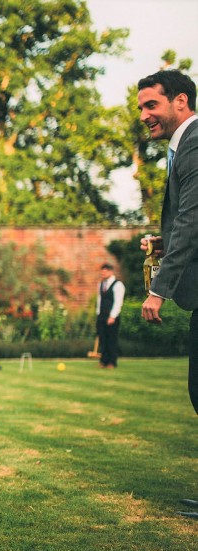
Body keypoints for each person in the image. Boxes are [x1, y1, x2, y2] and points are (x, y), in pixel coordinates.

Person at [136, 69, 198, 520]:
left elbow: (193, 222)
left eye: (151, 105)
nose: (144, 115)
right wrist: (163, 242)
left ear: (181, 101)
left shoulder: (194, 144)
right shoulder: (182, 150)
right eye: (141, 107)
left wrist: (158, 290)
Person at [95, 263, 125, 369]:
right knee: (103, 339)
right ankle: (103, 361)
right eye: (102, 271)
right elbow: (99, 300)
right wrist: (98, 314)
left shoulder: (118, 285)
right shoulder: (101, 284)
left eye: (106, 270)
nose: (103, 272)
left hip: (112, 317)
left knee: (111, 340)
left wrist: (112, 316)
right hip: (101, 316)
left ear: (111, 272)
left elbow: (118, 302)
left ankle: (112, 362)